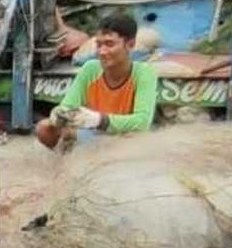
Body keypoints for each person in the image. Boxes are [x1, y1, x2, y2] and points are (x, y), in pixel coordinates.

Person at [35, 13, 159, 150]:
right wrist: (59, 114)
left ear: (130, 45)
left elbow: (142, 122)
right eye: (99, 45)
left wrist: (99, 120)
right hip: (92, 135)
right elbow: (68, 105)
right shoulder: (90, 69)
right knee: (44, 127)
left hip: (124, 138)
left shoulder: (143, 73)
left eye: (109, 44)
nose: (102, 51)